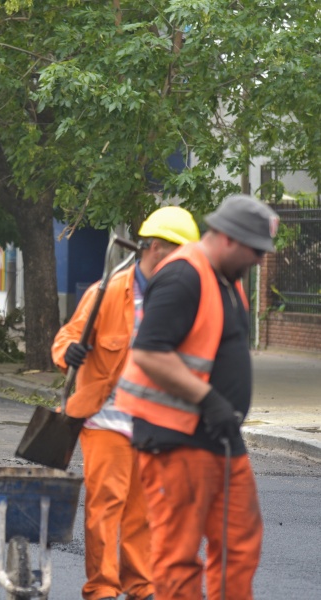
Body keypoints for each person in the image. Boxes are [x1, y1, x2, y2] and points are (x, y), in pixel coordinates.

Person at [115, 195, 278, 600]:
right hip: (176, 437)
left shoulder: (228, 280)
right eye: (255, 250)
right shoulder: (183, 276)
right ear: (227, 237)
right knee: (178, 554)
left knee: (240, 540)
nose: (260, 259)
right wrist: (209, 399)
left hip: (220, 436)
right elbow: (150, 353)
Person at [53, 206, 201, 600]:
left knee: (144, 509)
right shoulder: (106, 293)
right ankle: (102, 587)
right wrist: (68, 352)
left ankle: (141, 583)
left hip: (153, 423)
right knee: (106, 506)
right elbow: (66, 337)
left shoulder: (179, 301)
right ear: (155, 249)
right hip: (106, 419)